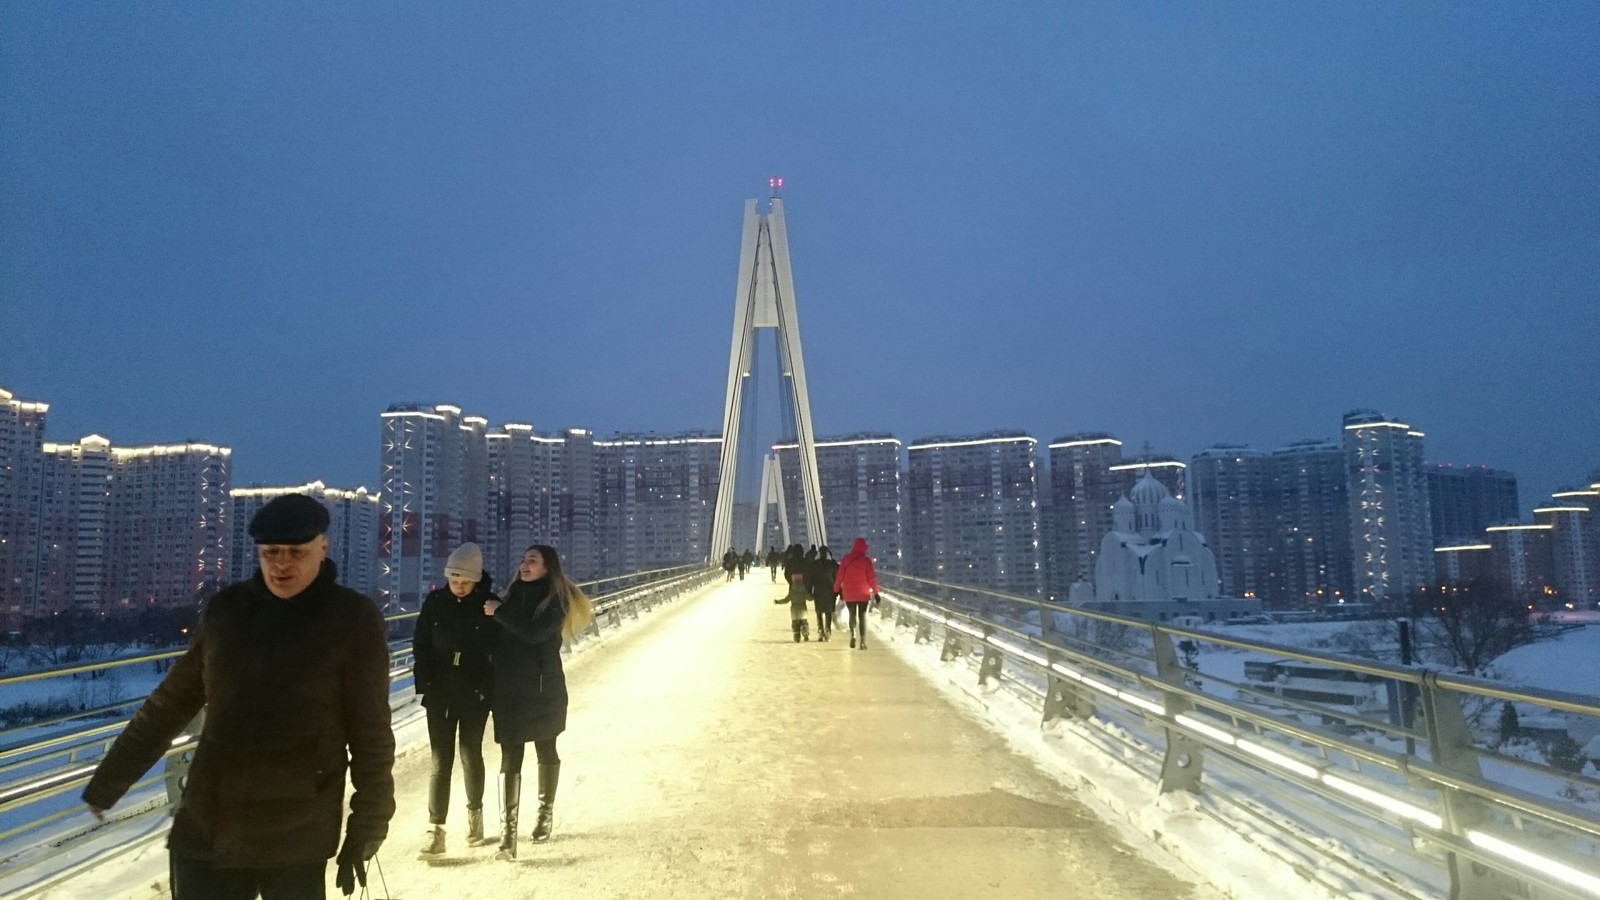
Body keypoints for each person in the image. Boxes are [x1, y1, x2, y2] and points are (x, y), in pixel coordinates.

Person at [80, 493, 395, 899]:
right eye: (271, 552)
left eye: (296, 552)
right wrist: (109, 782)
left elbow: (371, 733)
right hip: (209, 823)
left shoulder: (352, 619)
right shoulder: (227, 612)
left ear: (323, 548)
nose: (282, 564)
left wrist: (368, 827)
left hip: (295, 832)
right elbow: (170, 703)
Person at [485, 544, 593, 860]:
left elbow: (532, 633)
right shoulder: (509, 595)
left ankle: (544, 816)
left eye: (533, 560)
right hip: (508, 689)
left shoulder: (555, 600)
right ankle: (508, 837)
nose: (525, 564)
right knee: (509, 755)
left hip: (543, 689)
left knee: (546, 749)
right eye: (522, 559)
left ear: (548, 568)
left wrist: (499, 612)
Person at [413, 542, 496, 857]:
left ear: (476, 579)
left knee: (470, 755)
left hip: (474, 693)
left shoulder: (489, 604)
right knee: (440, 760)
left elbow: (499, 649)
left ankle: (475, 816)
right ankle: (436, 829)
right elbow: (421, 644)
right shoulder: (435, 602)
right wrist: (427, 685)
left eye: (465, 581)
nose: (459, 586)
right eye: (454, 580)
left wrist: (485, 690)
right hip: (440, 691)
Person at [834, 537, 881, 650]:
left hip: (849, 593)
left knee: (852, 614)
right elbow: (871, 579)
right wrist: (876, 592)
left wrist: (836, 589)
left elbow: (840, 576)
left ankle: (853, 634)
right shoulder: (866, 561)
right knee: (862, 616)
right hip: (863, 593)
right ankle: (863, 641)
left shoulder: (846, 559)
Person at [776, 544, 811, 642]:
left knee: (794, 615)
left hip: (793, 587)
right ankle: (805, 630)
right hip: (804, 587)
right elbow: (809, 573)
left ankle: (796, 634)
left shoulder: (790, 562)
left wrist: (791, 582)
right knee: (803, 614)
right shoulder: (805, 562)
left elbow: (786, 574)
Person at [809, 545, 840, 642]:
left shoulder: (814, 564)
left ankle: (820, 630)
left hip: (818, 589)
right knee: (828, 611)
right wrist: (837, 591)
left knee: (819, 611)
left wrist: (809, 591)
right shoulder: (832, 564)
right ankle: (828, 630)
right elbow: (836, 578)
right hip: (829, 590)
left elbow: (811, 579)